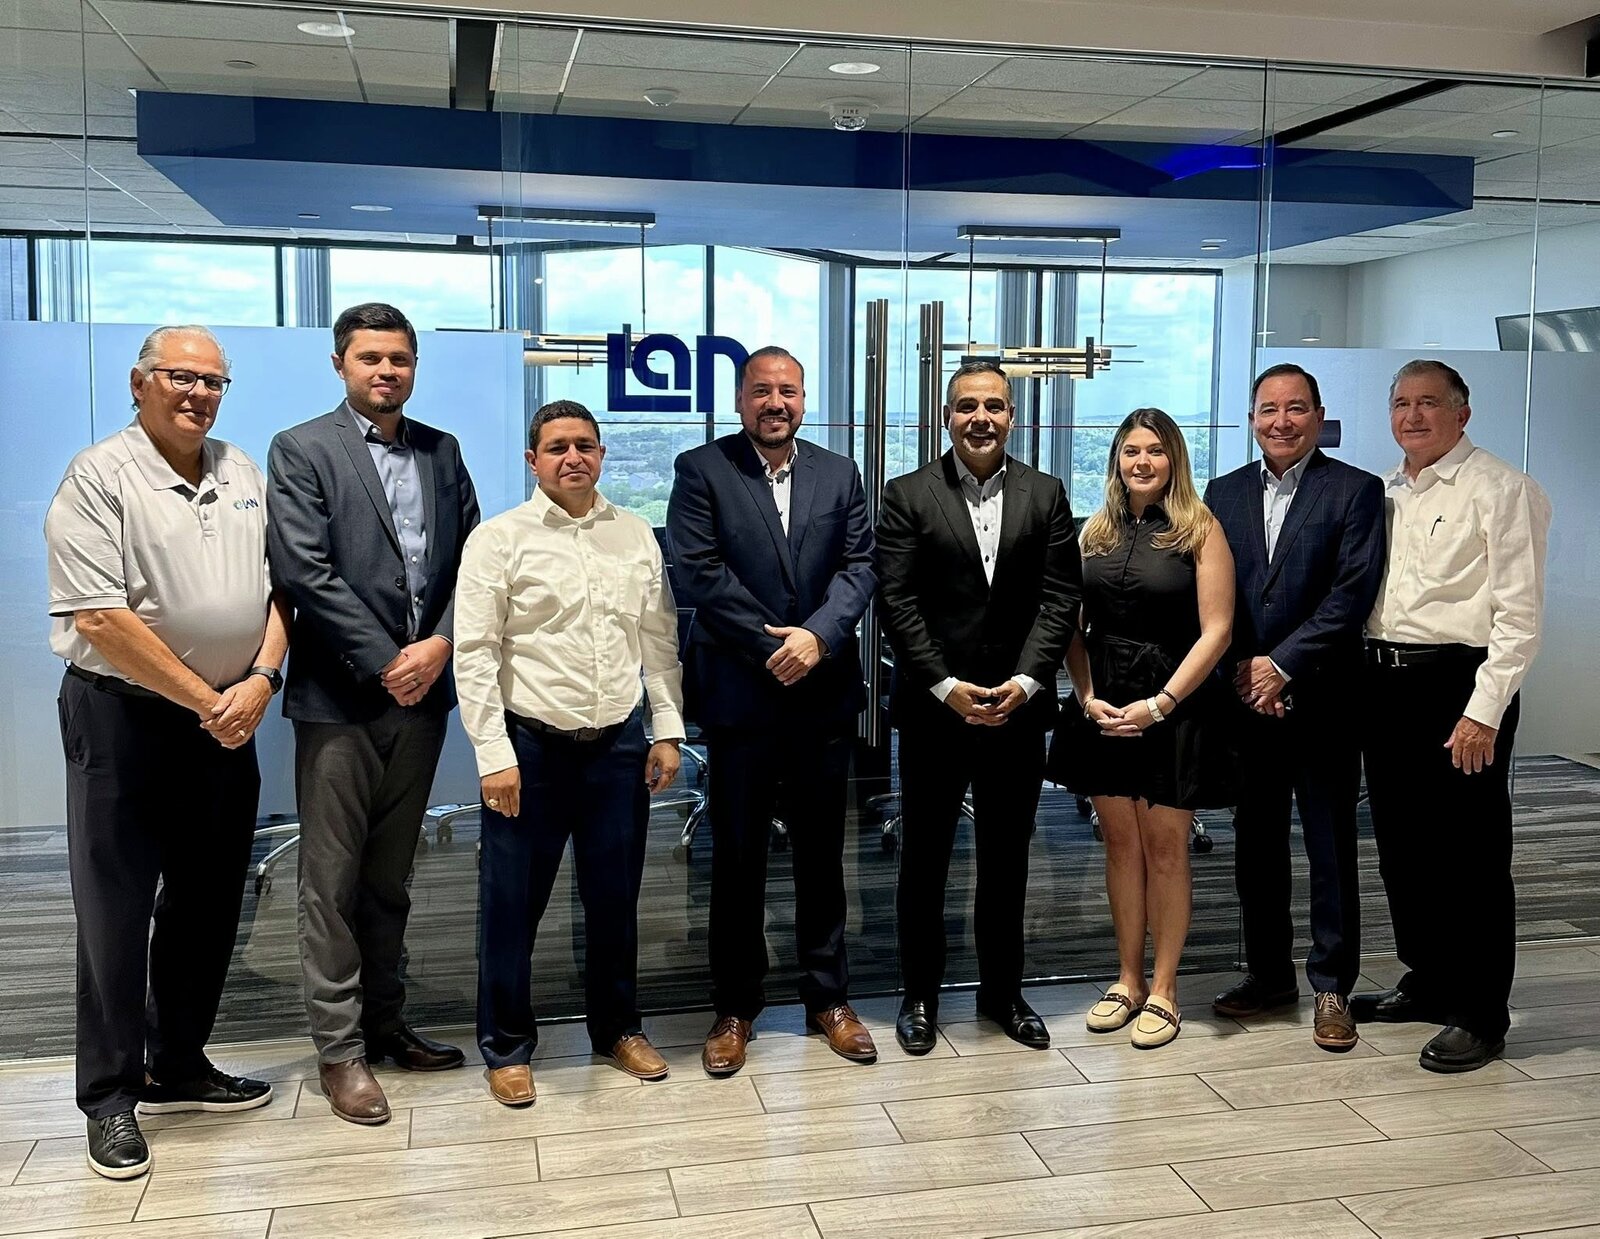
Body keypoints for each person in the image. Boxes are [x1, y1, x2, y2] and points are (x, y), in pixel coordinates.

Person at [45, 325, 287, 1179]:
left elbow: (279, 591)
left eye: (213, 381)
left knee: (207, 901)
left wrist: (261, 678)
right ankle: (109, 1096)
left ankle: (178, 1061)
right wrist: (209, 699)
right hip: (127, 718)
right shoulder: (99, 476)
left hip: (229, 718)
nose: (199, 394)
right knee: (115, 909)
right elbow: (99, 616)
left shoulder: (242, 469)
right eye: (182, 377)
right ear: (139, 382)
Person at [267, 302, 481, 1125]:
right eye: (370, 358)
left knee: (391, 878)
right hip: (342, 699)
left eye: (399, 358)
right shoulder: (302, 448)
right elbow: (304, 570)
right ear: (340, 364)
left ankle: (387, 1024)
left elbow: (472, 562)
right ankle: (340, 1049)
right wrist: (390, 660)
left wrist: (442, 644)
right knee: (330, 883)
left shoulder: (441, 450)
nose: (386, 371)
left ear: (414, 365)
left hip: (422, 698)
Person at [454, 401, 685, 1105]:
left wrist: (666, 727)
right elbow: (475, 652)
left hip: (617, 746)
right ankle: (506, 1046)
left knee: (614, 899)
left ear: (602, 454)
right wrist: (493, 753)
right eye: (557, 447)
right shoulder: (499, 539)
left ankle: (617, 1029)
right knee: (511, 905)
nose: (573, 457)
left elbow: (658, 638)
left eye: (585, 445)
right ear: (533, 460)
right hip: (530, 750)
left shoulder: (635, 533)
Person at [666, 344, 878, 1076]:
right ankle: (735, 1007)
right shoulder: (702, 470)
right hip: (741, 695)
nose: (775, 403)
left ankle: (829, 999)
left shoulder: (839, 472)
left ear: (804, 399)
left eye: (787, 391)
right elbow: (698, 572)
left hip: (822, 692)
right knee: (737, 859)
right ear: (740, 399)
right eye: (761, 391)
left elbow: (860, 566)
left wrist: (817, 637)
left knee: (823, 855)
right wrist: (776, 646)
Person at [876, 360, 1081, 1054]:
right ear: (947, 417)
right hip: (935, 711)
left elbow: (1060, 598)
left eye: (994, 405)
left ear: (1012, 416)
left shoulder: (1046, 494)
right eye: (967, 406)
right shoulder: (907, 494)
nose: (981, 418)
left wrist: (1026, 682)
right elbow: (896, 601)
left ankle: (1002, 994)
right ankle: (919, 996)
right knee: (924, 860)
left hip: (1017, 711)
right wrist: (945, 685)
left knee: (1007, 859)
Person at [1353, 360, 1550, 1073]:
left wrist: (1483, 712)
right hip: (1385, 684)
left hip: (1457, 688)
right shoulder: (1383, 492)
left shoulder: (1503, 489)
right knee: (1403, 848)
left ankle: (1481, 1011)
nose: (1413, 416)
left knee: (1471, 856)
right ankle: (1431, 978)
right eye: (1401, 403)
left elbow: (1519, 619)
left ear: (1462, 414)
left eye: (1429, 403)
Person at [1204, 364, 1385, 1052]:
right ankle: (1269, 975)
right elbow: (1213, 593)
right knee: (1256, 846)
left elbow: (1352, 594)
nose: (1282, 421)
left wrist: (1280, 665)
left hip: (1324, 701)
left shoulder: (1355, 490)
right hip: (1248, 704)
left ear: (1318, 414)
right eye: (1269, 409)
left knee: (1330, 847)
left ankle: (1332, 986)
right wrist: (1245, 671)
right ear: (1252, 417)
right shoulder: (1222, 493)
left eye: (1296, 408)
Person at [1052, 407, 1234, 1049]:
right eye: (1131, 451)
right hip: (1104, 705)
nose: (1142, 461)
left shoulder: (1200, 529)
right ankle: (1127, 979)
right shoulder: (1094, 532)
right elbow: (1070, 625)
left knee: (1166, 848)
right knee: (1119, 845)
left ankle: (1164, 988)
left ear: (1174, 458)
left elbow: (1218, 630)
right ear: (1117, 461)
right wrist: (1085, 695)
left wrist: (1162, 704)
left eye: (1155, 450)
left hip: (1172, 705)